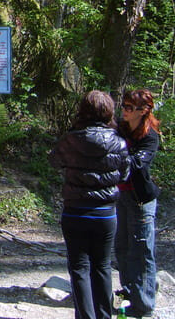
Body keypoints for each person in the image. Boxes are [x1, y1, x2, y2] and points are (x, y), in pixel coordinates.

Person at [49, 90, 130, 319]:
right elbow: (124, 175)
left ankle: (85, 316)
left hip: (75, 211)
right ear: (108, 111)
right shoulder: (119, 142)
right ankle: (105, 315)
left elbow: (54, 161)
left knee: (79, 268)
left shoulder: (71, 139)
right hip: (105, 213)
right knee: (102, 266)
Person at [115, 89, 161, 319]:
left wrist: (115, 154)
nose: (124, 110)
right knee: (122, 247)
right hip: (120, 198)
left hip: (141, 201)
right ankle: (128, 293)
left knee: (142, 251)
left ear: (143, 111)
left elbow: (137, 165)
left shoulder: (150, 136)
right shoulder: (120, 129)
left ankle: (144, 304)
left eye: (130, 107)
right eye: (124, 105)